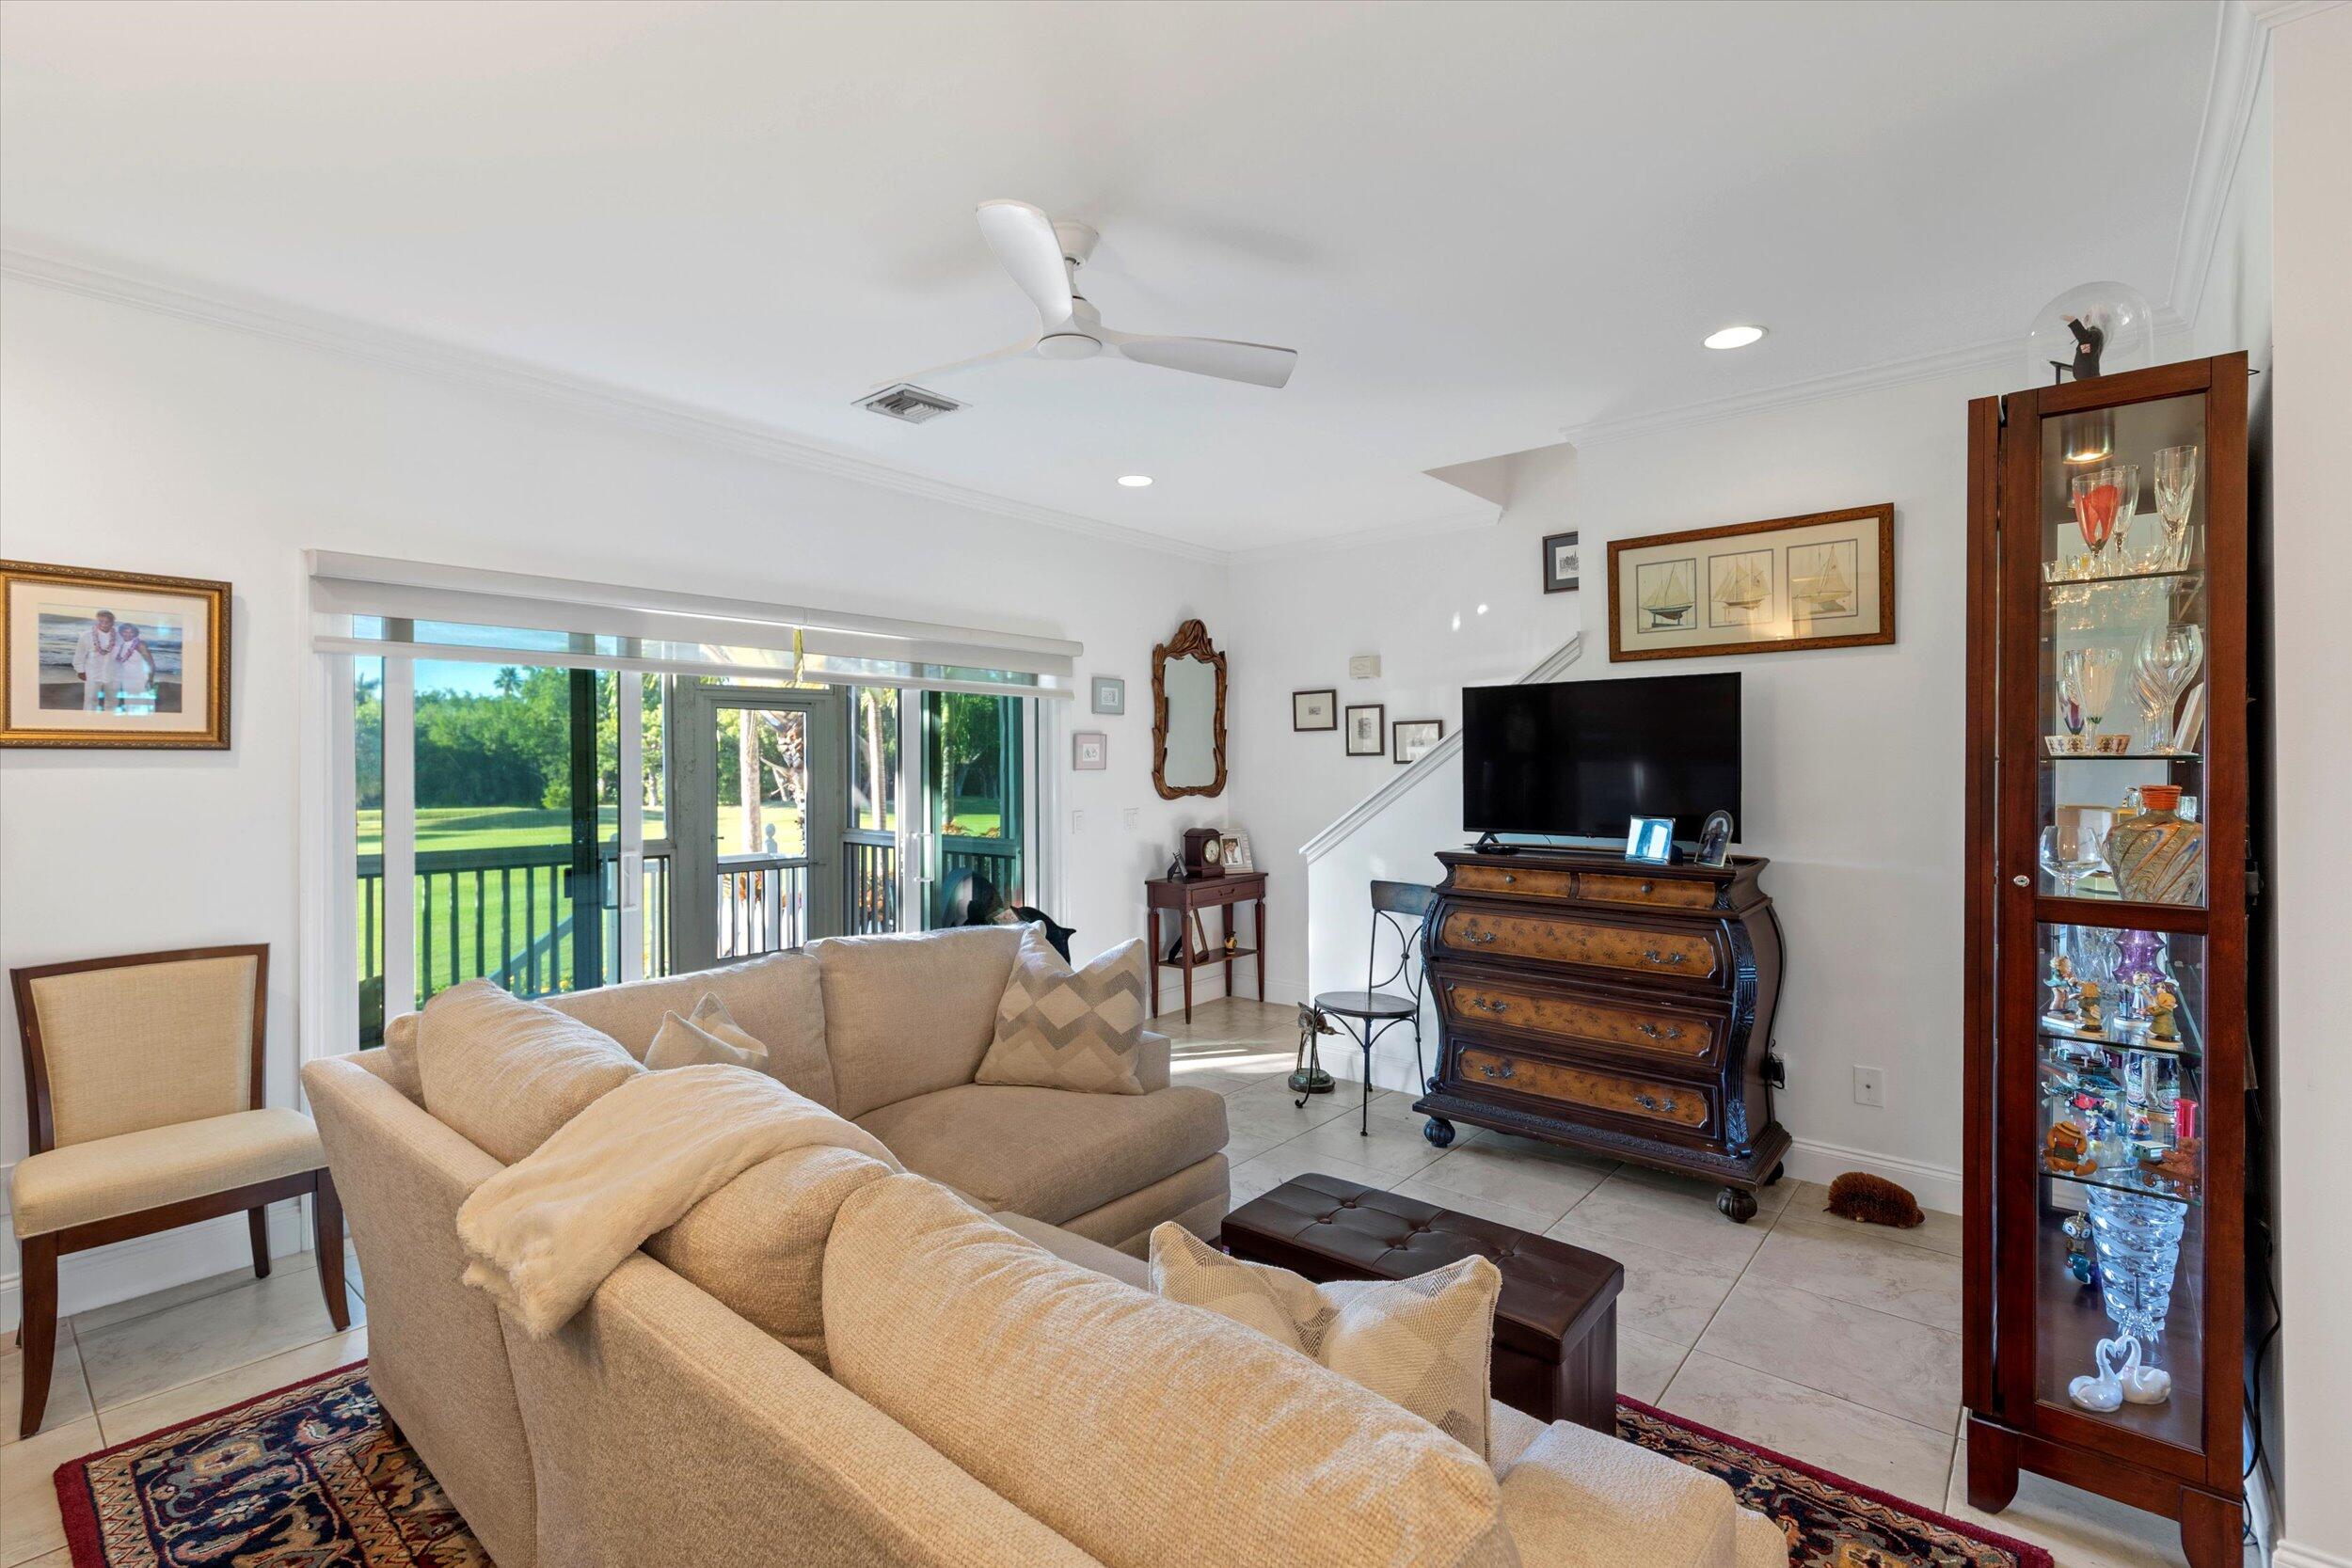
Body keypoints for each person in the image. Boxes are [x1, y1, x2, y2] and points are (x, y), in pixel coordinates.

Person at [71, 610, 119, 711]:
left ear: (113, 622)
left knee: (113, 700)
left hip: (113, 674)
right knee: (91, 700)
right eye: (101, 621)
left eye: (108, 622)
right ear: (97, 621)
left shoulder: (119, 636)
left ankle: (110, 723)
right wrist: (80, 671)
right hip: (92, 673)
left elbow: (123, 653)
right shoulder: (86, 635)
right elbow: (79, 655)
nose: (104, 624)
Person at [112, 622, 155, 714]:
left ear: (135, 633)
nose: (128, 634)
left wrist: (150, 680)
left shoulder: (140, 645)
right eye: (125, 632)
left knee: (142, 704)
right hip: (127, 679)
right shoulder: (121, 645)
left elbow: (151, 663)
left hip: (140, 679)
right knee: (130, 704)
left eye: (131, 632)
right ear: (121, 632)